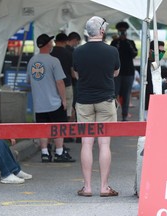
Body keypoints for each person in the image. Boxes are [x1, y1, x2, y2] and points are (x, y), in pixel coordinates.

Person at [73, 16, 120, 197]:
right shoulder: (112, 51)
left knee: (86, 142)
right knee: (104, 143)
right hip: (106, 100)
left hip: (84, 100)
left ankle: (87, 187)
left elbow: (76, 73)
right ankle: (104, 187)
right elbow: (115, 72)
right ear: (101, 31)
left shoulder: (78, 52)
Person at [27, 34, 74, 163]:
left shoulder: (32, 61)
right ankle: (59, 152)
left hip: (39, 103)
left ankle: (45, 153)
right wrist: (64, 100)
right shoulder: (54, 61)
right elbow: (60, 82)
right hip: (54, 102)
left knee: (43, 128)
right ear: (48, 44)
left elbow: (29, 80)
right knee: (58, 127)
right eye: (51, 42)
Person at [110, 21, 138, 121]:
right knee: (114, 94)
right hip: (117, 73)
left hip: (128, 72)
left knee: (126, 95)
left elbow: (134, 53)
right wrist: (118, 42)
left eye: (123, 31)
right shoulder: (114, 42)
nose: (122, 33)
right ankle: (112, 115)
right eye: (120, 31)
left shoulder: (130, 42)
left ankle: (124, 115)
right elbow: (112, 54)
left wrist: (125, 41)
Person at [145, 41, 167, 117]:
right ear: (151, 51)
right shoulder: (149, 65)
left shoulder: (155, 63)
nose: (161, 54)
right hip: (150, 105)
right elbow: (151, 87)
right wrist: (166, 84)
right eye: (159, 51)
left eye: (163, 52)